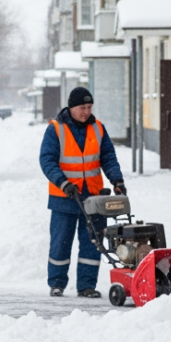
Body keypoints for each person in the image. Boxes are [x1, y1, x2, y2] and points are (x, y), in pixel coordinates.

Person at [40, 86, 125, 298]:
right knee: (61, 242)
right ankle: (57, 283)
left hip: (93, 197)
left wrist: (117, 180)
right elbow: (47, 160)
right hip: (64, 197)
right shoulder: (56, 129)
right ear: (71, 107)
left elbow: (108, 158)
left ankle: (86, 285)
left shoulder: (98, 128)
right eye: (82, 107)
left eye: (89, 107)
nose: (86, 111)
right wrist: (63, 182)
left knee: (92, 242)